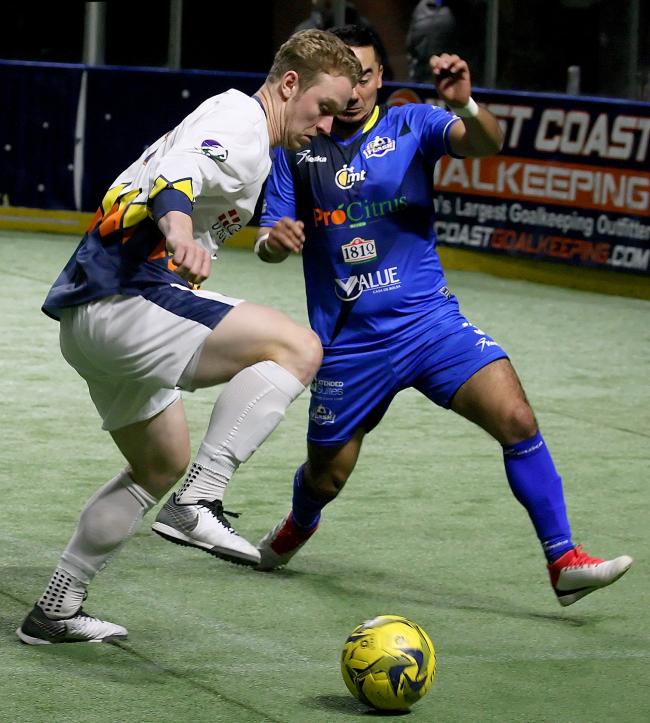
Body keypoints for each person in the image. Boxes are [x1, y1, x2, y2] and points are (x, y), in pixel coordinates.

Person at [247, 24, 632, 607]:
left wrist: (466, 106)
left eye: (365, 75)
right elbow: (265, 237)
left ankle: (563, 559)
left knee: (516, 418)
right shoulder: (299, 146)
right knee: (326, 476)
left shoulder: (412, 124)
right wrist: (274, 242)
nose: (354, 90)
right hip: (349, 344)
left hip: (429, 325)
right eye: (345, 78)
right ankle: (299, 524)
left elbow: (484, 143)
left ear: (381, 77)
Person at [15, 30, 361, 645]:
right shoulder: (243, 121)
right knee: (299, 347)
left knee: (158, 463)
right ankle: (199, 499)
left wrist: (239, 241)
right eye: (324, 107)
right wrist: (177, 234)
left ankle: (55, 608)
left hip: (88, 316)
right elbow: (175, 178)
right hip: (126, 299)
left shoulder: (241, 129)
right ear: (290, 85)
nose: (327, 125)